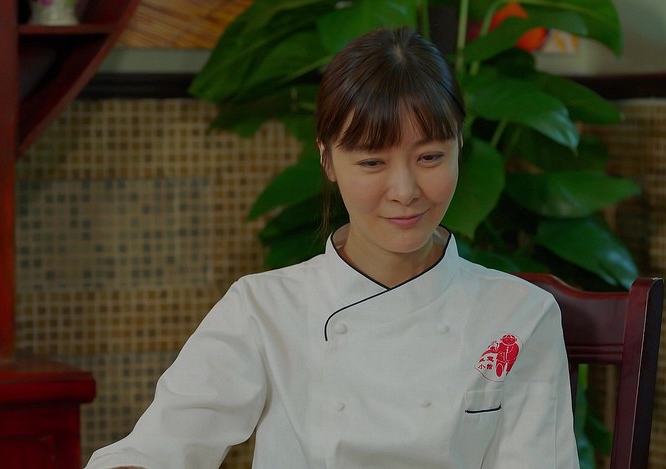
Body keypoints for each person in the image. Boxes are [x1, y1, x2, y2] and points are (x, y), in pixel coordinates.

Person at [85, 27, 579, 469]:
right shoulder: (263, 310)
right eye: (371, 163)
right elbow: (157, 450)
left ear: (460, 148)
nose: (405, 190)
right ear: (327, 161)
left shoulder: (519, 316)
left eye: (430, 157)